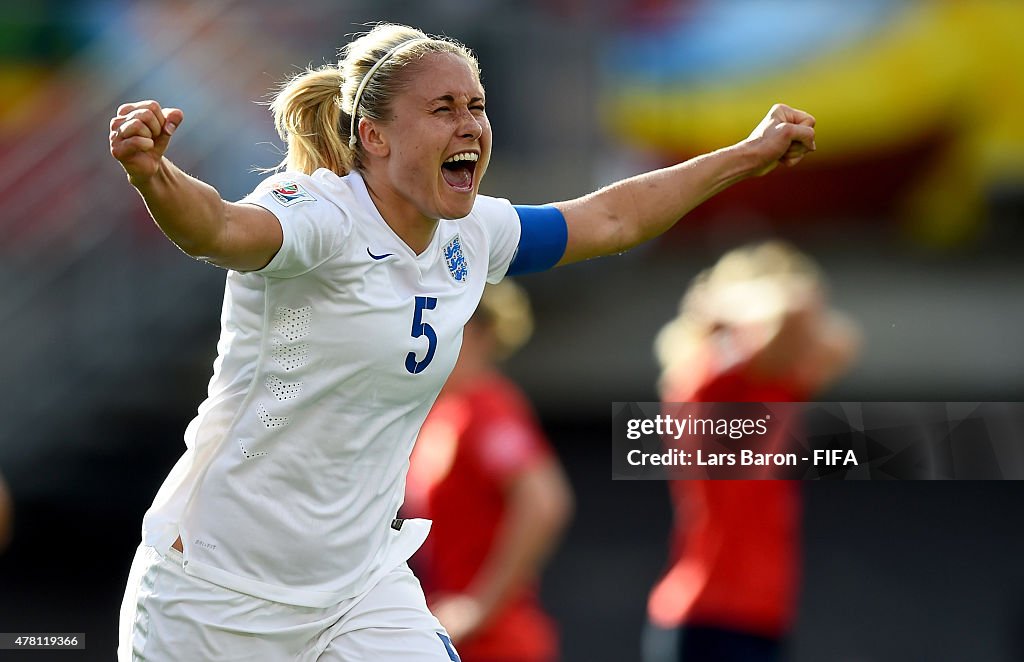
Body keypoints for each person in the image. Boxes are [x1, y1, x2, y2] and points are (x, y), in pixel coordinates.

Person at [108, 21, 815, 661]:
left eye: (476, 106)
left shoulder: (471, 233)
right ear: (375, 136)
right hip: (215, 589)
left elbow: (610, 221)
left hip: (355, 587)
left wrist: (742, 157)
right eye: (442, 109)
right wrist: (154, 174)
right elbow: (220, 229)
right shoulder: (320, 215)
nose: (469, 124)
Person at [643, 241, 860, 662]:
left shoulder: (775, 386)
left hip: (762, 611)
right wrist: (724, 303)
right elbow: (796, 306)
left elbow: (842, 341)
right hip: (708, 612)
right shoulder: (706, 374)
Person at [404, 280, 573, 662]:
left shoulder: (486, 406)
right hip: (453, 637)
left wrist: (479, 606)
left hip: (498, 642)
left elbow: (544, 501)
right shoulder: (443, 415)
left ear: (479, 333)